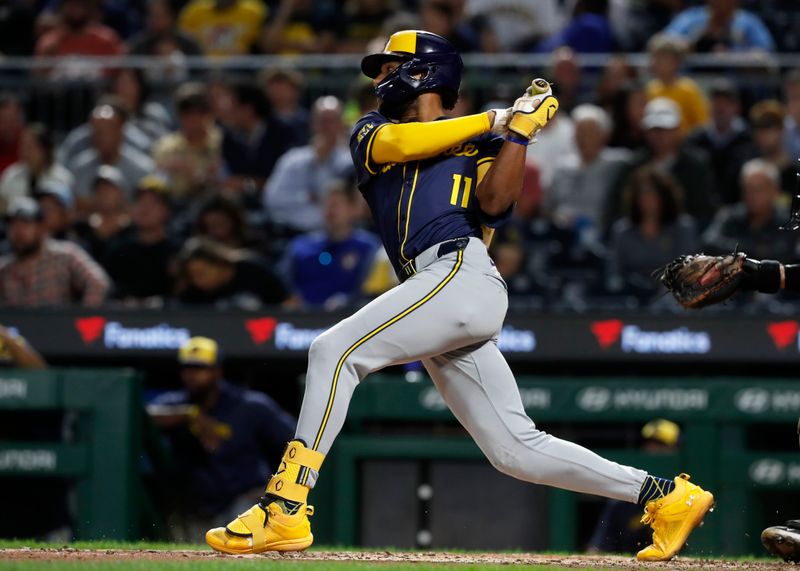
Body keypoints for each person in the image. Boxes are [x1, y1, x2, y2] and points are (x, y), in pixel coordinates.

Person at [205, 30, 713, 562]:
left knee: (332, 352)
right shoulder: (372, 131)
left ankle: (284, 505)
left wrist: (516, 133)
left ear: (424, 72)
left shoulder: (483, 142)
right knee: (514, 449)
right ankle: (666, 495)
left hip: (458, 272)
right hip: (434, 289)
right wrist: (495, 119)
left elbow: (495, 207)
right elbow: (406, 146)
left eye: (390, 66)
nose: (380, 78)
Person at [148, 336, 295, 542]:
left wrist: (275, 488)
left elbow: (293, 441)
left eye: (200, 368)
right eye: (187, 368)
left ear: (218, 371)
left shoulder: (248, 405)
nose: (191, 375)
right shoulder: (176, 404)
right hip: (196, 505)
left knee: (239, 542)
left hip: (242, 499)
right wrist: (189, 414)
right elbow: (143, 415)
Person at [587, 420, 682, 554]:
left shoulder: (683, 497)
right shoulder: (622, 501)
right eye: (650, 445)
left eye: (661, 446)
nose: (653, 451)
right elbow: (597, 549)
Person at [606, 166, 699, 302]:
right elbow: (614, 272)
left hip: (671, 296)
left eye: (653, 194)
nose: (647, 200)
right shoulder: (623, 230)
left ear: (665, 197)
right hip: (631, 296)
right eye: (642, 194)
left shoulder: (682, 228)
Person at [263, 96, 354, 235]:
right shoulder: (292, 159)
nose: (327, 126)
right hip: (293, 234)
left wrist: (318, 198)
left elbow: (358, 206)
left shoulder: (351, 162)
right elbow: (272, 199)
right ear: (313, 124)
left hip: (340, 235)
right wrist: (305, 197)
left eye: (333, 121)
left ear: (341, 124)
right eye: (323, 121)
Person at [282, 183, 380, 309]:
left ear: (352, 209)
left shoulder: (369, 247)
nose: (330, 210)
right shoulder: (300, 246)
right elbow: (283, 286)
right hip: (303, 319)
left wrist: (347, 301)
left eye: (336, 205)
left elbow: (371, 290)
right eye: (326, 204)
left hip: (349, 318)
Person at [0, 196, 110, 306]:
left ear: (41, 227)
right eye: (12, 225)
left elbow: (98, 282)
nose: (18, 231)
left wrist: (80, 316)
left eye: (25, 224)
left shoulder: (65, 256)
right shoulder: (4, 269)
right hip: (17, 323)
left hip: (58, 322)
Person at [545, 104, 630, 234]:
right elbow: (548, 206)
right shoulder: (562, 167)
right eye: (579, 132)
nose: (582, 138)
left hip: (600, 234)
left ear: (604, 135)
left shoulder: (618, 164)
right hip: (561, 232)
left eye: (589, 133)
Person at [702, 158, 795, 262]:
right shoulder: (731, 216)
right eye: (747, 189)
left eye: (758, 189)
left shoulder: (788, 221)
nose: (751, 195)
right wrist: (753, 249)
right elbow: (708, 242)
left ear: (775, 191)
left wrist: (738, 252)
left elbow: (782, 253)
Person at [105, 177, 176, 302]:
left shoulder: (176, 251)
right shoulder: (118, 250)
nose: (145, 208)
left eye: (154, 202)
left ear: (167, 210)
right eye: (140, 201)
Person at [686, 79, 755, 205]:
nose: (720, 108)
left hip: (740, 209)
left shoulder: (749, 139)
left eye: (726, 103)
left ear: (737, 107)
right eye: (716, 102)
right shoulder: (695, 140)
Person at [221, 81, 295, 198]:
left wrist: (248, 184)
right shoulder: (229, 137)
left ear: (248, 109)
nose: (227, 113)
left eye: (232, 108)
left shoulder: (282, 134)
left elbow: (285, 179)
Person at [67, 102, 155, 201]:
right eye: (97, 131)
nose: (101, 137)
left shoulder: (142, 169)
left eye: (108, 130)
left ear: (120, 131)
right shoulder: (78, 169)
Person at [152, 83, 223, 201]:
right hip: (174, 204)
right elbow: (156, 181)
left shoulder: (222, 141)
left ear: (209, 113)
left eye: (199, 112)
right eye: (187, 113)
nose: (193, 119)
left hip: (214, 202)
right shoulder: (166, 146)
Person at [175, 237, 287, 308]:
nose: (198, 281)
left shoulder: (253, 270)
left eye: (201, 273)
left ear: (219, 264)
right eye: (192, 276)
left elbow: (289, 303)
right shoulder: (193, 290)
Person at [34, 0, 123, 79]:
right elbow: (38, 78)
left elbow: (119, 74)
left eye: (80, 5)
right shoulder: (49, 42)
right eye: (71, 5)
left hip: (98, 93)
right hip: (57, 95)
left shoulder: (106, 40)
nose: (75, 11)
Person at [0, 124, 74, 211]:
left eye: (30, 147)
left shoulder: (62, 178)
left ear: (45, 150)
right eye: (23, 146)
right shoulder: (11, 174)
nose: (25, 152)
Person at [645, 34, 709, 134]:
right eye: (654, 57)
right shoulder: (650, 89)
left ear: (675, 62)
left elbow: (702, 124)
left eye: (661, 58)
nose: (654, 62)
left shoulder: (689, 90)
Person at [662, 0, 775, 53]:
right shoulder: (690, 18)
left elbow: (765, 53)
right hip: (693, 83)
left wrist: (731, 56)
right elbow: (662, 43)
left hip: (737, 88)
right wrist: (694, 41)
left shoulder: (748, 22)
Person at [178, 0, 266, 57]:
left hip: (240, 68)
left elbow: (265, 45)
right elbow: (180, 40)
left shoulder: (253, 11)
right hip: (203, 68)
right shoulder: (195, 11)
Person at [749, 100, 795, 197]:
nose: (765, 132)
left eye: (770, 125)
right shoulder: (748, 171)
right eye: (760, 126)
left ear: (782, 129)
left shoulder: (795, 172)